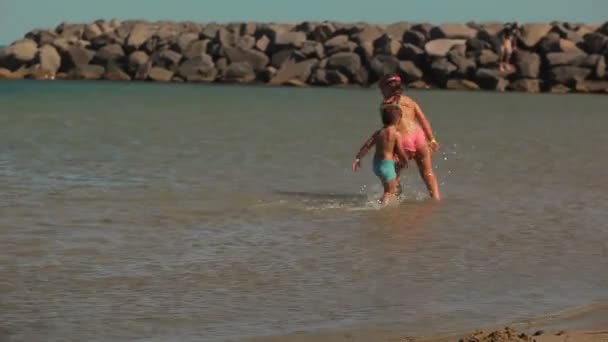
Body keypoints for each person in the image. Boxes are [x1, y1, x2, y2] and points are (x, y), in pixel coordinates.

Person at [375, 74, 441, 200]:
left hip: (404, 141)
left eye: (381, 89)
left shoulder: (385, 106)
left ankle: (392, 200)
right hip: (419, 137)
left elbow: (390, 128)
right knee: (428, 173)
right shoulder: (410, 101)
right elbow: (423, 120)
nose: (380, 92)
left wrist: (388, 150)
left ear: (387, 88)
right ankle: (436, 199)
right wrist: (432, 139)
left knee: (394, 174)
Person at [352, 104, 409, 204]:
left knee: (390, 188)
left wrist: (358, 158)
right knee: (390, 191)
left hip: (377, 165)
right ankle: (380, 206)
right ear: (398, 119)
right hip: (387, 165)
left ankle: (384, 204)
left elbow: (367, 145)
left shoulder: (379, 132)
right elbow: (400, 151)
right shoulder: (396, 134)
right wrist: (405, 161)